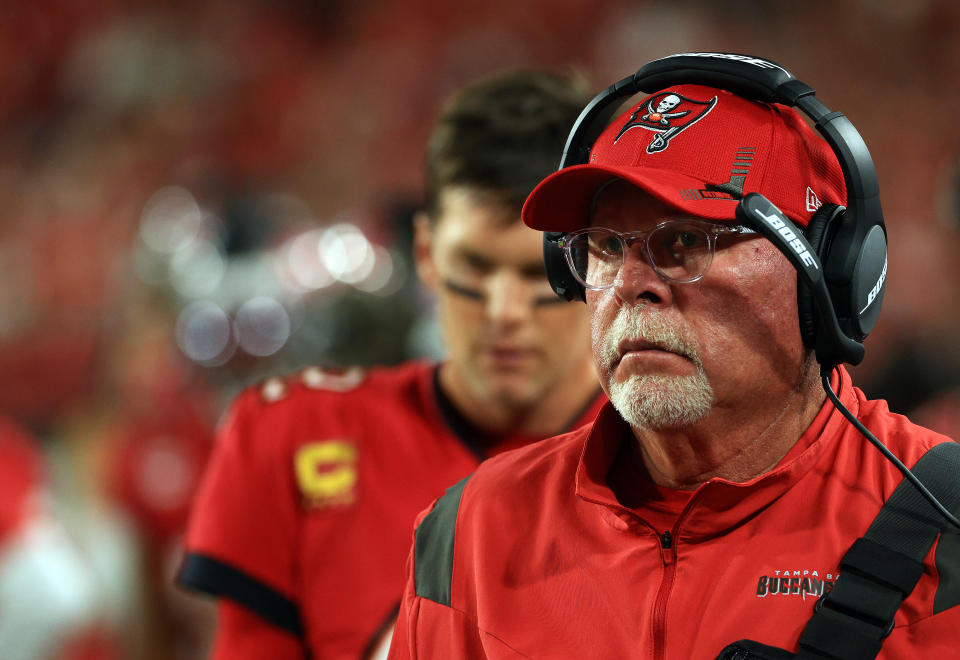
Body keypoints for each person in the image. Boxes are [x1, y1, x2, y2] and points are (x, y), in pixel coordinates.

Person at [389, 54, 960, 659]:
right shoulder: (468, 533)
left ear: (827, 272)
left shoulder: (942, 530)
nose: (633, 282)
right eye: (606, 245)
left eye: (686, 240)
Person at [176, 69, 605, 659]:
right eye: (476, 268)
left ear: (598, 259)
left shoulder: (672, 455)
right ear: (426, 253)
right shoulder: (292, 434)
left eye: (540, 274)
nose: (505, 312)